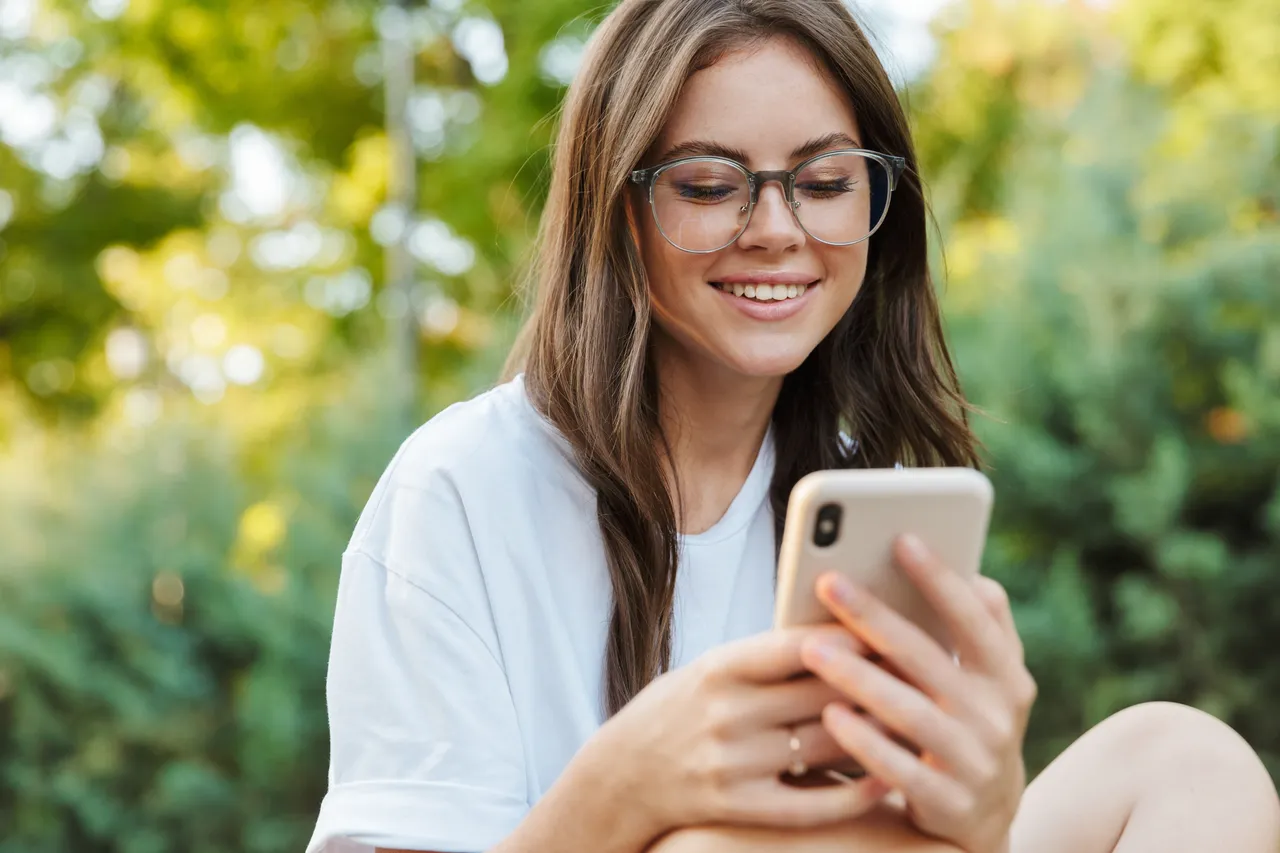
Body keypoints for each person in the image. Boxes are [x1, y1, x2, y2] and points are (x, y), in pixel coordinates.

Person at [305, 1, 1280, 851]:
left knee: (1186, 762)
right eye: (707, 183)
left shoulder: (857, 506)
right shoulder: (462, 488)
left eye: (821, 182)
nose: (775, 228)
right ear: (619, 212)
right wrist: (627, 784)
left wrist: (977, 815)